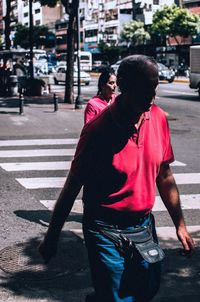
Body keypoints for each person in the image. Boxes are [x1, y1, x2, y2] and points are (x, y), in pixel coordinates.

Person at [38, 55, 195, 302]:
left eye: (154, 86)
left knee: (147, 290)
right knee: (117, 297)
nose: (151, 95)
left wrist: (180, 224)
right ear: (123, 84)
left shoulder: (159, 118)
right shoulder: (97, 131)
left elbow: (164, 176)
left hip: (143, 226)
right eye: (145, 87)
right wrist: (51, 238)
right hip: (104, 229)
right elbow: (71, 188)